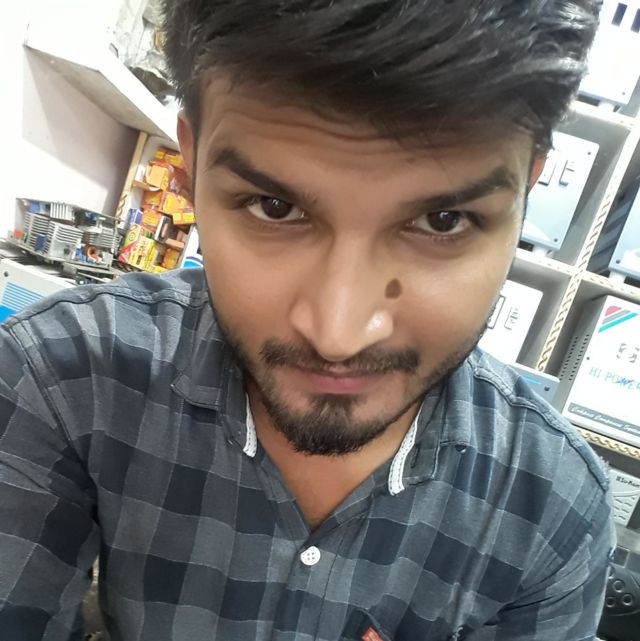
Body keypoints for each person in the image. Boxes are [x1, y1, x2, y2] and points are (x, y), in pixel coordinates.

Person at [0, 1, 615, 639]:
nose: (337, 335)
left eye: (442, 221)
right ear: (190, 165)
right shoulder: (60, 379)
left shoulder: (554, 511)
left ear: (526, 189)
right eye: (273, 207)